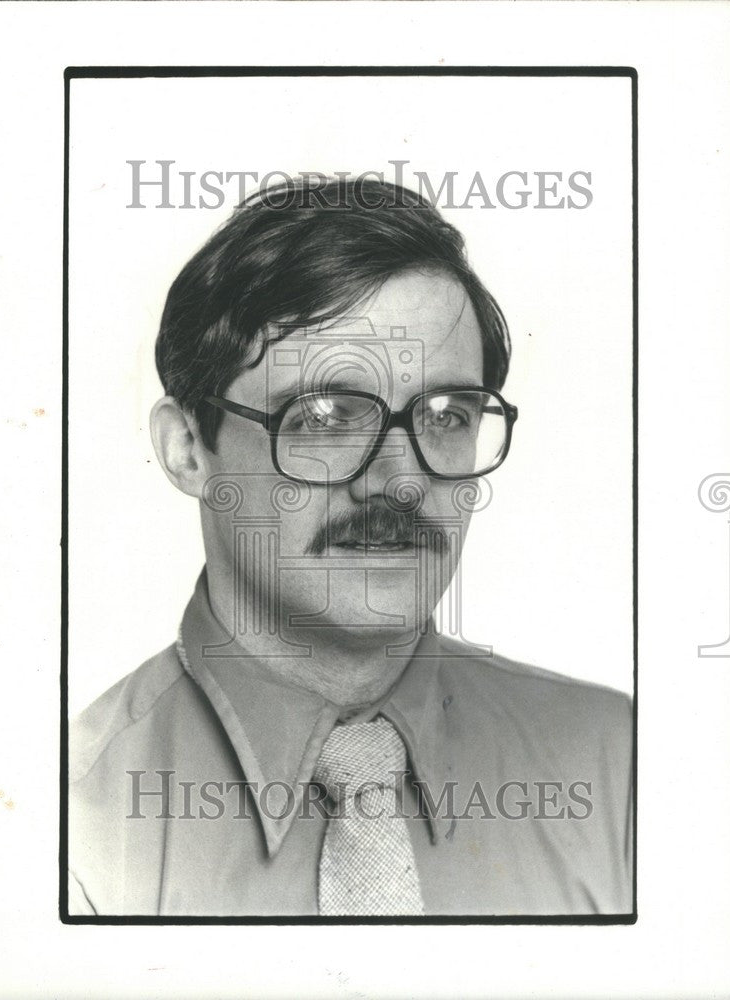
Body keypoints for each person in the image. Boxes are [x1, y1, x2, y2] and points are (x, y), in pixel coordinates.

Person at [68, 176, 632, 917]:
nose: (399, 483)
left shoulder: (624, 773)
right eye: (325, 416)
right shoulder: (68, 827)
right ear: (185, 450)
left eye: (444, 415)